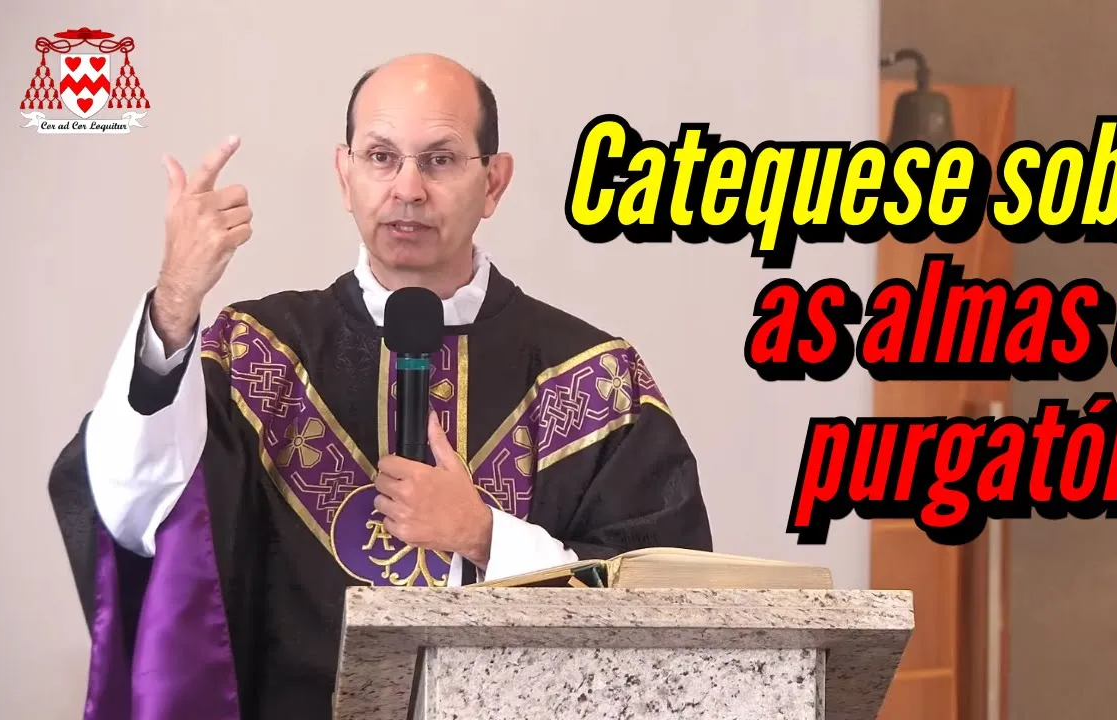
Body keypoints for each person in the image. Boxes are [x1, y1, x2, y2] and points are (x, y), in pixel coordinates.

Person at [47, 53, 712, 720]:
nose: (408, 189)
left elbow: (674, 622)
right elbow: (137, 511)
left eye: (440, 159)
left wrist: (487, 537)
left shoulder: (593, 376)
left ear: (494, 182)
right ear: (345, 175)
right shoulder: (260, 355)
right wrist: (174, 303)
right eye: (381, 157)